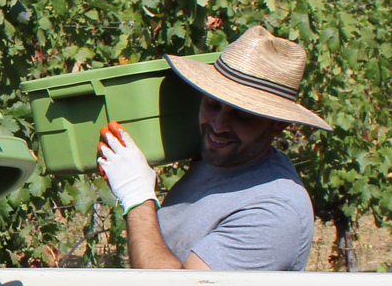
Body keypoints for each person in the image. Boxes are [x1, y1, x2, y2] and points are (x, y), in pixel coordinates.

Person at [95, 25, 332, 271]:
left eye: (242, 115)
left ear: (278, 126)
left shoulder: (274, 211)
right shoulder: (218, 159)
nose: (219, 125)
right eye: (213, 104)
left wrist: (137, 197)